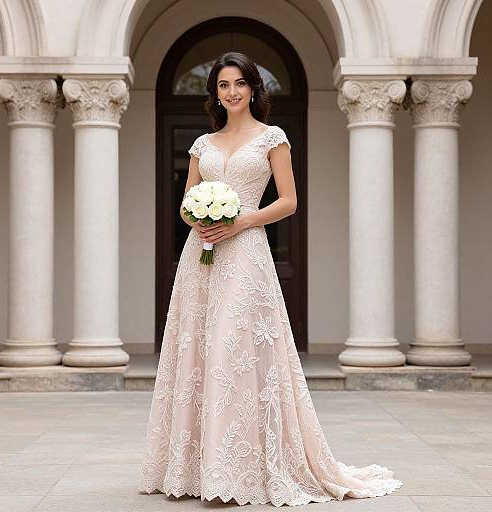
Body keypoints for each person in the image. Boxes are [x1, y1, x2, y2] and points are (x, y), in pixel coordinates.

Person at [139, 51, 403, 506]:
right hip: (201, 254)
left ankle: (239, 469)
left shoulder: (272, 138)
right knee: (199, 350)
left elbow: (289, 201)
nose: (232, 92)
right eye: (223, 85)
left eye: (239, 83)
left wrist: (241, 220)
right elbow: (186, 202)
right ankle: (199, 469)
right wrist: (198, 221)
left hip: (245, 252)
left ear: (253, 88)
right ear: (215, 93)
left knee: (233, 349)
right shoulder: (202, 144)